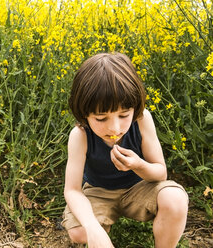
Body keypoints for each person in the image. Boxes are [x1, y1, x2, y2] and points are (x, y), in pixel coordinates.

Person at [62, 52, 189, 247]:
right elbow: (72, 190)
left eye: (124, 115)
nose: (114, 128)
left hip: (139, 187)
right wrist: (92, 228)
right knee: (80, 232)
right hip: (98, 191)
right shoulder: (80, 135)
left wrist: (138, 165)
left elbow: (160, 173)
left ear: (135, 108)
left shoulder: (142, 119)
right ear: (84, 113)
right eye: (101, 118)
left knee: (175, 199)